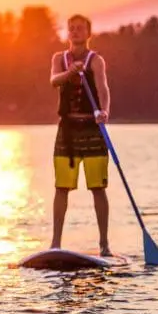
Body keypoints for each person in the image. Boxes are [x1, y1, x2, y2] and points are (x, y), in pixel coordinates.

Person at [49, 14, 112, 255]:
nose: (75, 32)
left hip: (92, 129)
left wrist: (104, 111)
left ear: (88, 34)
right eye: (72, 29)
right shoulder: (59, 59)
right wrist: (70, 73)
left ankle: (104, 245)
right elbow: (54, 81)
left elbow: (104, 88)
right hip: (67, 132)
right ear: (68, 33)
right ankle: (56, 243)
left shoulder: (96, 61)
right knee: (61, 188)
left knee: (98, 188)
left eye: (80, 29)